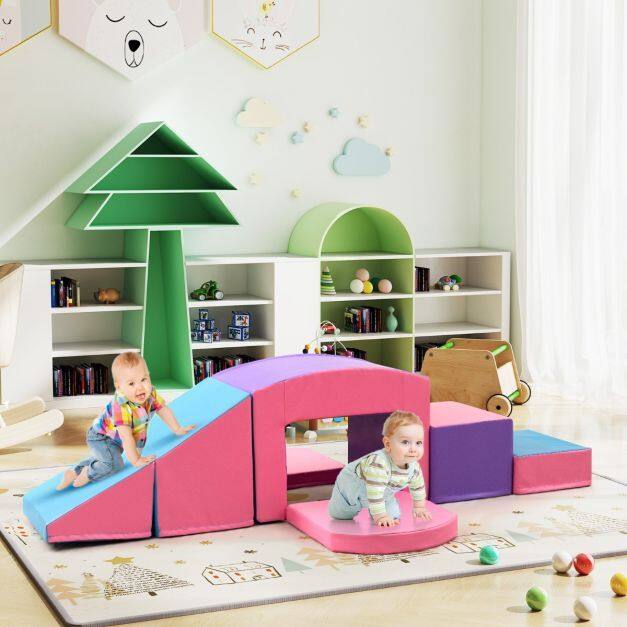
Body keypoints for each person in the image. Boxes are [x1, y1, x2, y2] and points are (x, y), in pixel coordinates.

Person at [57, 352, 195, 490]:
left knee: (107, 458)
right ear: (119, 387)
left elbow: (163, 409)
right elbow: (126, 436)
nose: (140, 387)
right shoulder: (121, 407)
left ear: (149, 376)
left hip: (115, 438)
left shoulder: (150, 393)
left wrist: (177, 428)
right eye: (131, 383)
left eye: (143, 379)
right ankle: (88, 473)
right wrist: (136, 460)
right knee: (116, 465)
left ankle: (74, 471)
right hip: (101, 437)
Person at [328, 410, 431, 526]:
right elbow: (375, 493)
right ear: (388, 444)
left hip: (382, 491)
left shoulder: (414, 467)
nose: (413, 449)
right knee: (341, 514)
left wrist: (419, 507)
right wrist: (381, 516)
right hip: (353, 484)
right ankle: (348, 506)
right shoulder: (378, 463)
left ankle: (378, 510)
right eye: (405, 442)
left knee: (393, 516)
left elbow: (418, 487)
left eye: (418, 443)